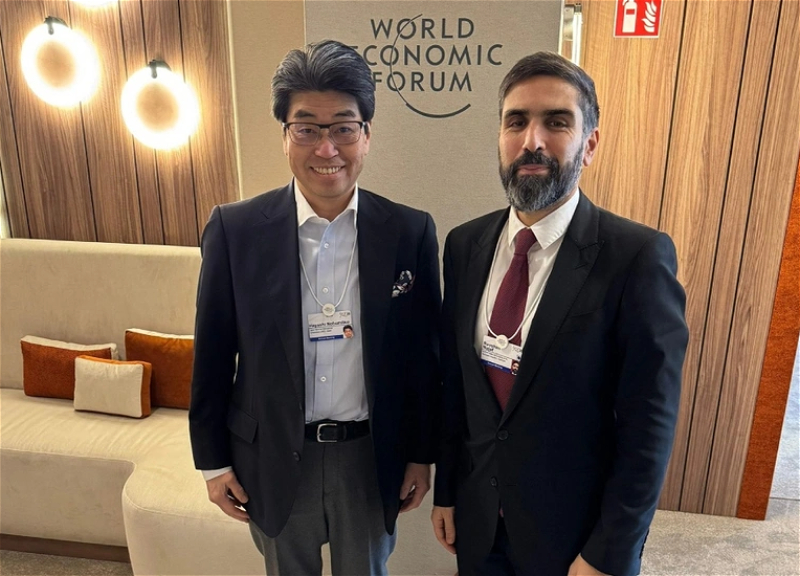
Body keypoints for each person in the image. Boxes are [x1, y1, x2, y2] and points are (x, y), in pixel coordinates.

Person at [431, 51, 688, 576]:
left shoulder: (636, 257)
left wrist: (610, 552)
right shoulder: (464, 245)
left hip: (577, 541)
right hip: (479, 523)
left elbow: (649, 425)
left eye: (556, 122)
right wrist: (448, 491)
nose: (533, 140)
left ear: (589, 144)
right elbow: (456, 389)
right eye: (516, 122)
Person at [189, 39, 441, 576]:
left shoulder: (409, 231)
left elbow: (423, 359)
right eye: (306, 129)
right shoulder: (235, 230)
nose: (326, 149)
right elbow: (211, 355)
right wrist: (212, 461)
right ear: (285, 136)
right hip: (273, 454)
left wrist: (421, 452)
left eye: (343, 128)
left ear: (366, 135)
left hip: (369, 457)